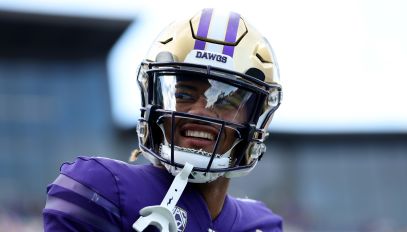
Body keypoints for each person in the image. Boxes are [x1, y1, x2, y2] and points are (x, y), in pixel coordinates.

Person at [43, 8, 283, 232]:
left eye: (226, 99)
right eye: (183, 95)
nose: (200, 111)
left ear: (256, 120)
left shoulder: (263, 224)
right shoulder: (102, 187)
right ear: (154, 103)